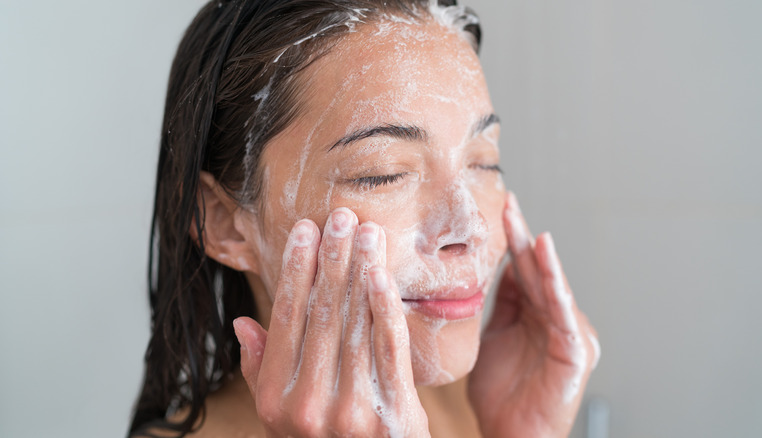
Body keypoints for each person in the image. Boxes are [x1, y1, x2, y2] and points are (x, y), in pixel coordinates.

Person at [128, 0, 600, 436]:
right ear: (224, 222)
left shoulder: (477, 408)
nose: (471, 228)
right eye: (385, 173)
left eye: (483, 162)